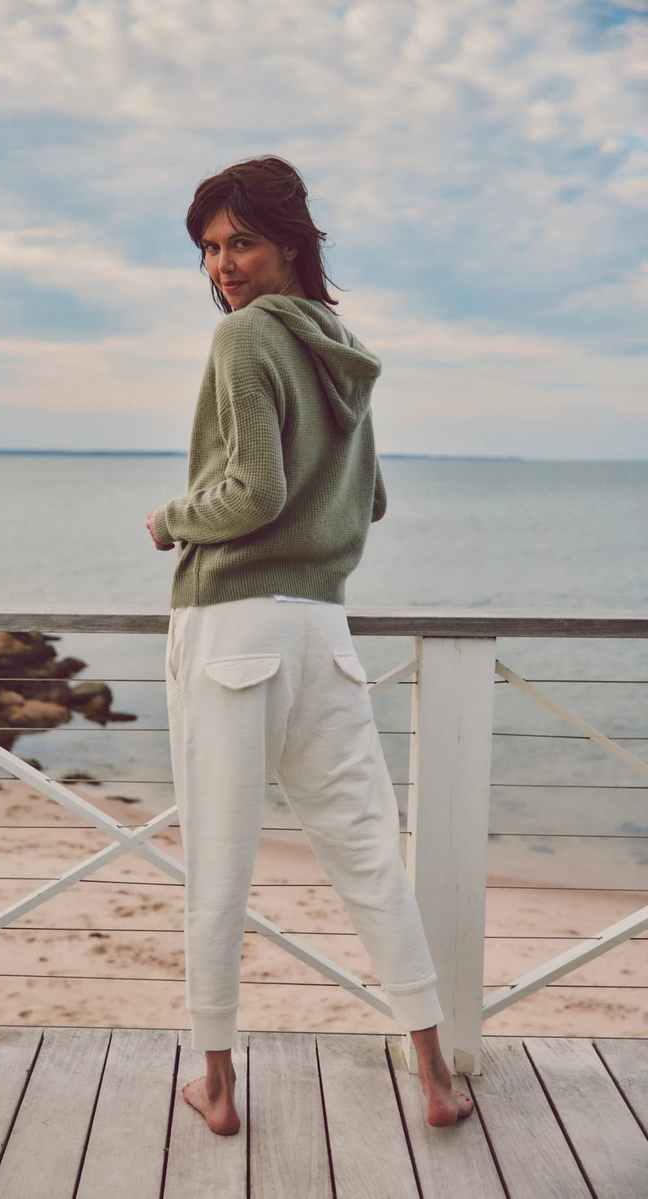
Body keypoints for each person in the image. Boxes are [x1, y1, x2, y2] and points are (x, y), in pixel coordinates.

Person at [146, 156, 473, 1136]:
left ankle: (219, 1084)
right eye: (208, 248)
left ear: (290, 241)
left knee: (217, 859)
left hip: (232, 623)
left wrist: (169, 517)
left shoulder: (245, 338)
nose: (222, 267)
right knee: (368, 851)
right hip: (320, 629)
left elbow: (246, 494)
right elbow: (367, 499)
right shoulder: (343, 345)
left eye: (240, 241)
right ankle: (433, 1076)